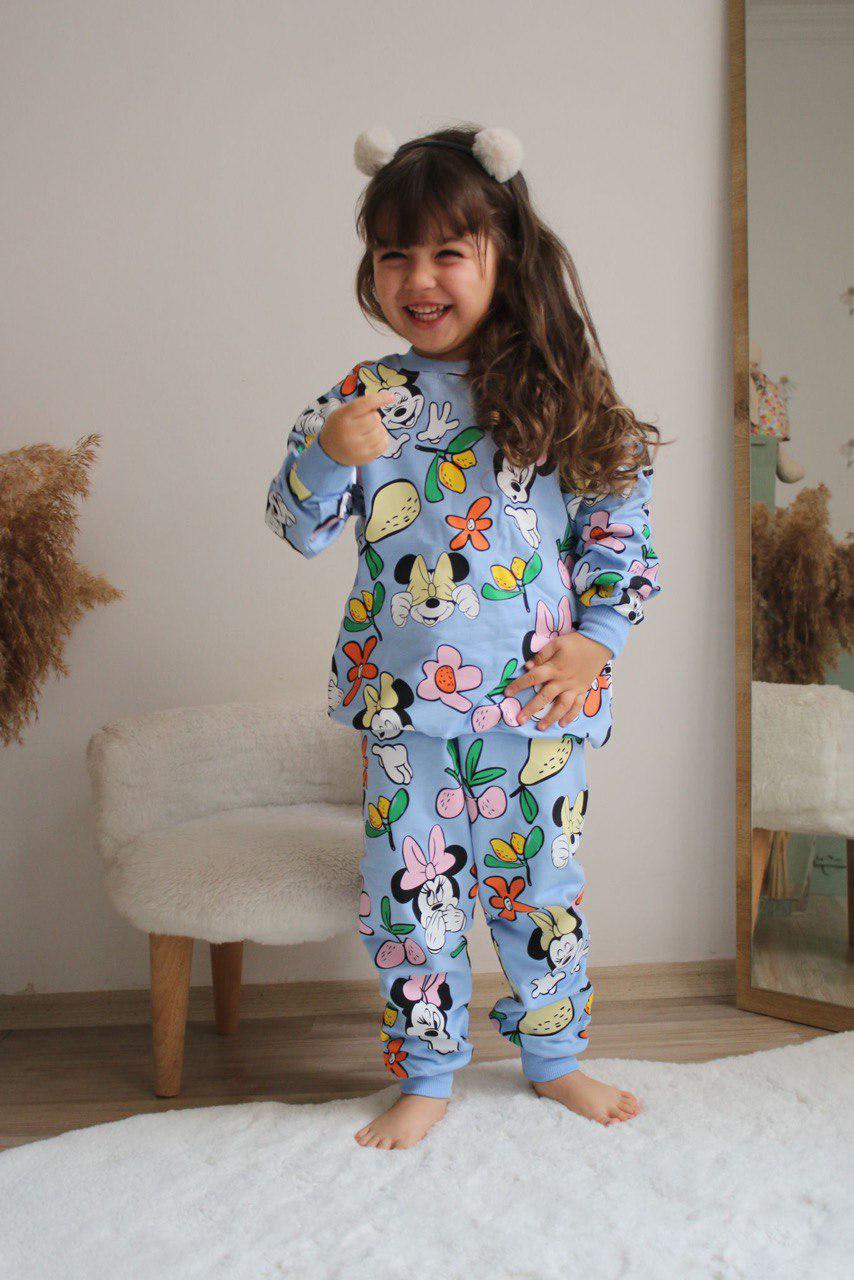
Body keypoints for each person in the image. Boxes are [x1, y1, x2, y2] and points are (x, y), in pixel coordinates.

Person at [265, 123, 665, 1150]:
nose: (419, 277)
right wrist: (327, 454)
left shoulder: (560, 390)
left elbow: (620, 529)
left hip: (539, 706)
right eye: (394, 253)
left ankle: (555, 1060)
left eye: (448, 251)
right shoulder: (365, 398)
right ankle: (428, 1072)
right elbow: (296, 526)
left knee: (541, 894)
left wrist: (600, 638)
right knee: (410, 903)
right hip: (405, 713)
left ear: (504, 254)